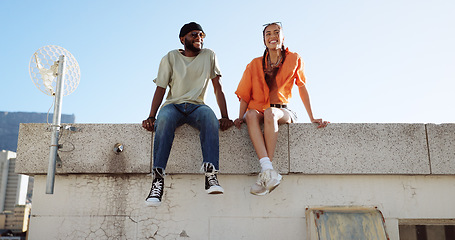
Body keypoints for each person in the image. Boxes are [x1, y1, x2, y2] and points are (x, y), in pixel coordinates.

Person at [142, 22, 234, 207]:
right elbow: (160, 88)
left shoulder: (209, 55)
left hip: (197, 106)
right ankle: (157, 181)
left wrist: (225, 116)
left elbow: (218, 88)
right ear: (183, 38)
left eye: (201, 35)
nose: (199, 38)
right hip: (173, 106)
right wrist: (151, 117)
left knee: (209, 116)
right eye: (194, 35)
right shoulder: (170, 57)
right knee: (164, 118)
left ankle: (211, 175)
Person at [234, 22, 328, 196]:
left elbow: (302, 87)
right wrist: (240, 117)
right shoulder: (254, 64)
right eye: (268, 34)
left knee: (270, 113)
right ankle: (268, 171)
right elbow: (245, 95)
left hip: (282, 111)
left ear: (283, 37)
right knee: (250, 115)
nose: (272, 36)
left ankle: (266, 171)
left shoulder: (294, 58)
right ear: (264, 40)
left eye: (276, 32)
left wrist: (312, 117)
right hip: (258, 110)